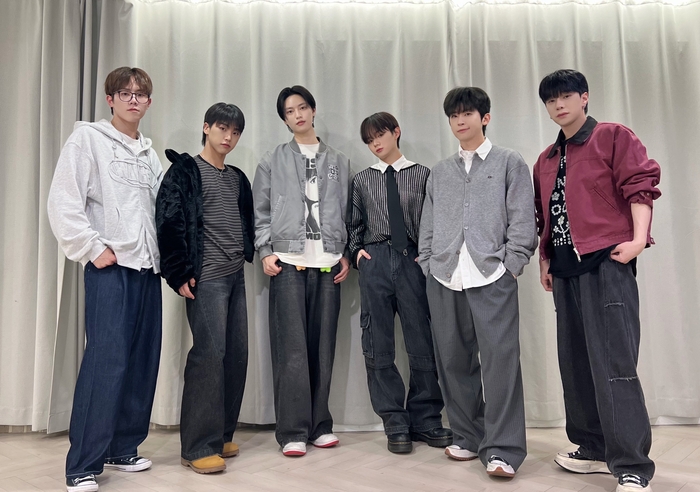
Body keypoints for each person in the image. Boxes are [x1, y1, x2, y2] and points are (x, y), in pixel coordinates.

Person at [533, 69, 661, 492]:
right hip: (564, 269)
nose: (559, 105)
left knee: (614, 365)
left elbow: (640, 185)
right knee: (575, 364)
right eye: (551, 100)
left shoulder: (612, 136)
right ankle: (592, 448)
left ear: (584, 97)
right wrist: (545, 260)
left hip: (606, 260)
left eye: (566, 96)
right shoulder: (546, 159)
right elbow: (545, 216)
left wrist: (638, 239)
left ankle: (632, 464)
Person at [47, 67, 163, 492]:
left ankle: (122, 446)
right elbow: (63, 200)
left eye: (140, 94)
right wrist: (92, 249)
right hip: (111, 269)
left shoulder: (150, 155)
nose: (133, 100)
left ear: (149, 101)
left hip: (148, 269)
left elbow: (159, 211)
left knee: (142, 361)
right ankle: (82, 464)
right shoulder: (87, 140)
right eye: (124, 93)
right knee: (105, 363)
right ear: (110, 99)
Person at [418, 87, 537, 478]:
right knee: (453, 361)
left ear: (484, 117)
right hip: (445, 276)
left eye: (467, 113)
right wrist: (428, 262)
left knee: (500, 363)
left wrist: (512, 264)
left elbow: (524, 218)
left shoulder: (508, 162)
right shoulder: (440, 171)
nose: (460, 121)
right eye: (454, 116)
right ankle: (468, 436)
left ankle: (503, 449)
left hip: (492, 276)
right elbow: (428, 223)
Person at [252, 85, 351, 457]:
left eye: (303, 107)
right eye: (290, 111)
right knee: (291, 351)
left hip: (328, 263)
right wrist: (265, 250)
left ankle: (320, 426)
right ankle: (293, 431)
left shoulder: (339, 160)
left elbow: (347, 210)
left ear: (313, 110)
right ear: (284, 119)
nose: (298, 115)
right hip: (288, 263)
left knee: (323, 348)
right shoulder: (272, 160)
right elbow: (260, 210)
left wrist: (344, 252)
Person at [156, 103, 254, 474]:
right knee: (209, 357)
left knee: (236, 356)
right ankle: (197, 447)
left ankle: (220, 435)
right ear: (206, 127)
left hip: (235, 275)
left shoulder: (237, 178)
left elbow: (245, 221)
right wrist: (178, 273)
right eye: (222, 128)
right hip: (206, 277)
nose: (228, 137)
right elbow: (168, 222)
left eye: (235, 131)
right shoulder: (186, 171)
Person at [348, 112, 451, 454]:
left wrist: (427, 255)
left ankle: (426, 420)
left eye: (380, 135)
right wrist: (358, 252)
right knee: (377, 342)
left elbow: (434, 220)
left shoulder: (422, 175)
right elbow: (353, 223)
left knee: (422, 340)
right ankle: (394, 422)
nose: (375, 143)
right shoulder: (362, 180)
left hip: (413, 261)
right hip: (375, 260)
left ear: (396, 132)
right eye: (369, 140)